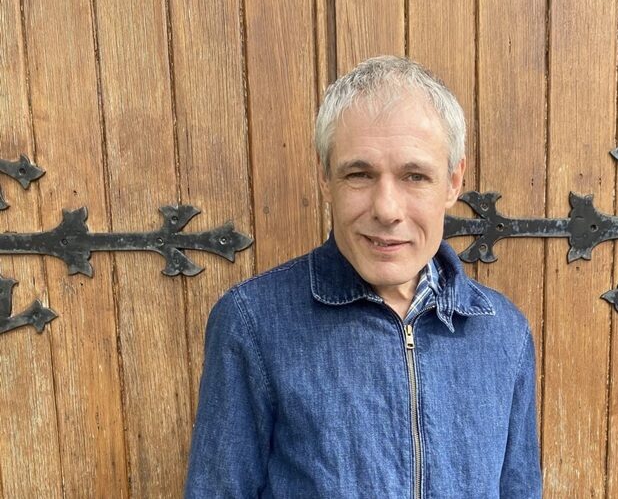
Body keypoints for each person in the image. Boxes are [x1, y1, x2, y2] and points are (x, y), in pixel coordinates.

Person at [185, 55, 542, 498]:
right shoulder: (253, 323)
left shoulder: (502, 331)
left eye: (415, 176)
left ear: (453, 181)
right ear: (324, 178)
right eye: (359, 174)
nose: (386, 209)